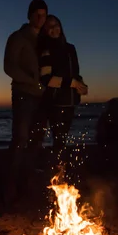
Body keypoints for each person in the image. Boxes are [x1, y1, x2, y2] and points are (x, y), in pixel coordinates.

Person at [3, 0, 48, 204]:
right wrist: (32, 81)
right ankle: (10, 185)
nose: (40, 18)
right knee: (20, 139)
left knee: (37, 141)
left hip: (43, 98)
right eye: (37, 14)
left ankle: (27, 183)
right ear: (29, 15)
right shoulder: (18, 37)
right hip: (23, 94)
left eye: (43, 15)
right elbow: (9, 67)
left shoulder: (46, 39)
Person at [33, 15, 88, 171]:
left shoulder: (71, 48)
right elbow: (46, 79)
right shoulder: (46, 51)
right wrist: (72, 83)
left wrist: (81, 84)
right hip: (55, 103)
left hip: (70, 101)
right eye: (49, 27)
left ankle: (59, 172)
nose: (53, 29)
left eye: (56, 24)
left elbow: (75, 73)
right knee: (59, 139)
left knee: (62, 140)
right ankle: (57, 174)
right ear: (45, 31)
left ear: (61, 26)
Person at [95, 98, 118, 171]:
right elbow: (99, 127)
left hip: (116, 136)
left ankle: (114, 160)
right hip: (109, 136)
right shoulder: (107, 115)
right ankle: (109, 159)